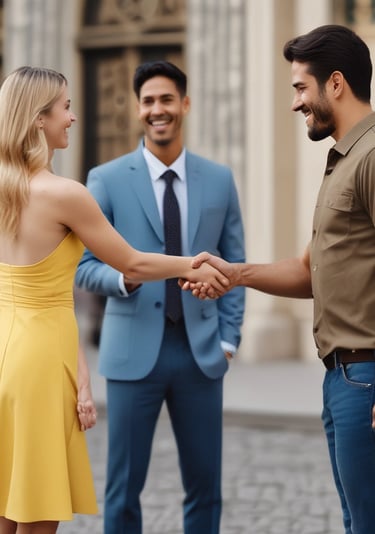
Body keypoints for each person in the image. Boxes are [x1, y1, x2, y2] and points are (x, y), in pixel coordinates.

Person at [0, 66, 229, 534]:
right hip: (40, 363)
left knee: (7, 501)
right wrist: (190, 264)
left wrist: (81, 373)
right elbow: (133, 264)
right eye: (65, 107)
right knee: (38, 511)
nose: (73, 117)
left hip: (8, 349)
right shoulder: (65, 194)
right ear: (39, 119)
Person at [186, 24, 375, 534]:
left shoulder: (373, 157)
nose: (295, 103)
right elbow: (307, 271)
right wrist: (236, 274)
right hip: (342, 378)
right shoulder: (344, 160)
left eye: (300, 87)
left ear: (335, 84)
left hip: (367, 377)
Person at [75, 60, 245, 534]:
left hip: (202, 356)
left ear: (185, 104)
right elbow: (84, 268)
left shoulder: (219, 179)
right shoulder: (105, 179)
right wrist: (125, 278)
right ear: (136, 110)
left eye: (166, 99)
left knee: (205, 488)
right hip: (132, 355)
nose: (157, 110)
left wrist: (229, 340)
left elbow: (235, 264)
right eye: (148, 101)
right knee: (123, 490)